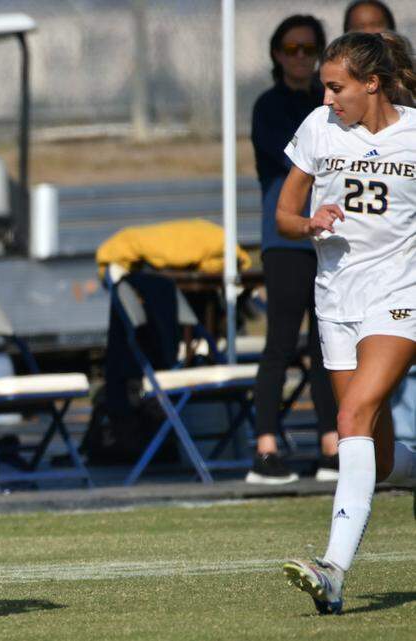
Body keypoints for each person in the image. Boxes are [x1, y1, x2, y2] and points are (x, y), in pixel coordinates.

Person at [277, 31, 416, 614]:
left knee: (351, 415)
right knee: (378, 457)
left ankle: (332, 569)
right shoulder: (318, 128)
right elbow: (284, 216)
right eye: (325, 88)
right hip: (336, 300)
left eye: (337, 87)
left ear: (372, 83)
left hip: (399, 294)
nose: (328, 98)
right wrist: (310, 224)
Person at [248, 15, 339, 485]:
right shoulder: (270, 105)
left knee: (325, 342)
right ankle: (265, 446)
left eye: (309, 49)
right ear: (277, 54)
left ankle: (330, 441)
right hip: (284, 236)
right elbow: (291, 157)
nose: (300, 56)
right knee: (280, 341)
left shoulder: (332, 102)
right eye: (291, 48)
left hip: (329, 236)